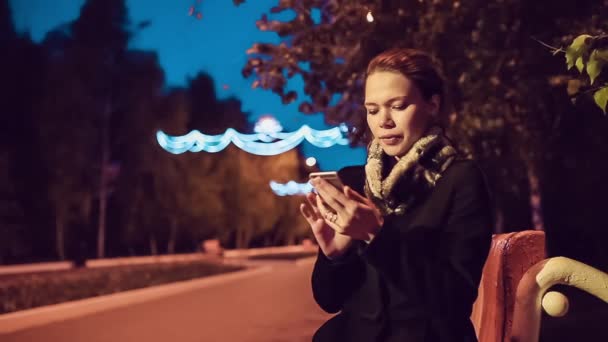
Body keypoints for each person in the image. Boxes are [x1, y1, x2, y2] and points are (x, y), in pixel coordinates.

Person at [300, 48, 493, 342]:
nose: (383, 122)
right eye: (373, 110)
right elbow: (329, 301)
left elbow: (454, 300)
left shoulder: (459, 179)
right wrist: (333, 255)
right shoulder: (354, 181)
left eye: (398, 106)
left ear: (432, 104)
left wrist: (377, 235)